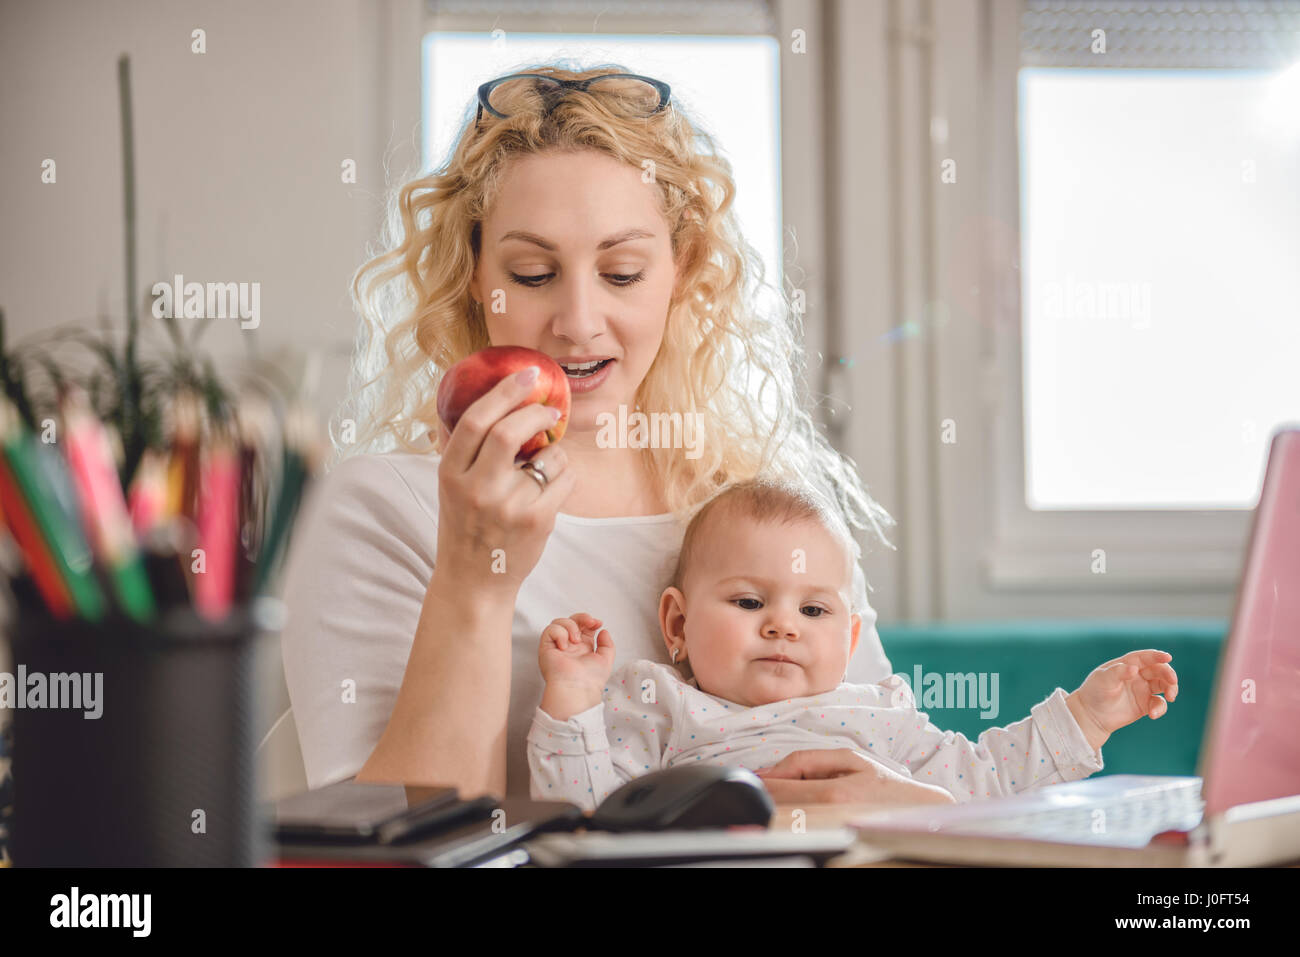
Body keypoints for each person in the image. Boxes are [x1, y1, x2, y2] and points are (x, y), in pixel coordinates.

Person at [280, 63, 929, 803]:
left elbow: (893, 767)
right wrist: (474, 579)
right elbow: (391, 848)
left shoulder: (761, 510)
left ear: (681, 269)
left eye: (621, 273)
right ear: (472, 273)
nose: (579, 322)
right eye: (530, 273)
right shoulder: (383, 508)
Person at [527, 478, 1180, 809]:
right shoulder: (658, 702)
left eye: (813, 608)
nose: (782, 625)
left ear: (849, 636)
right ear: (676, 626)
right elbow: (589, 818)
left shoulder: (878, 715)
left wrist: (1086, 719)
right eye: (750, 601)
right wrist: (574, 703)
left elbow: (983, 785)